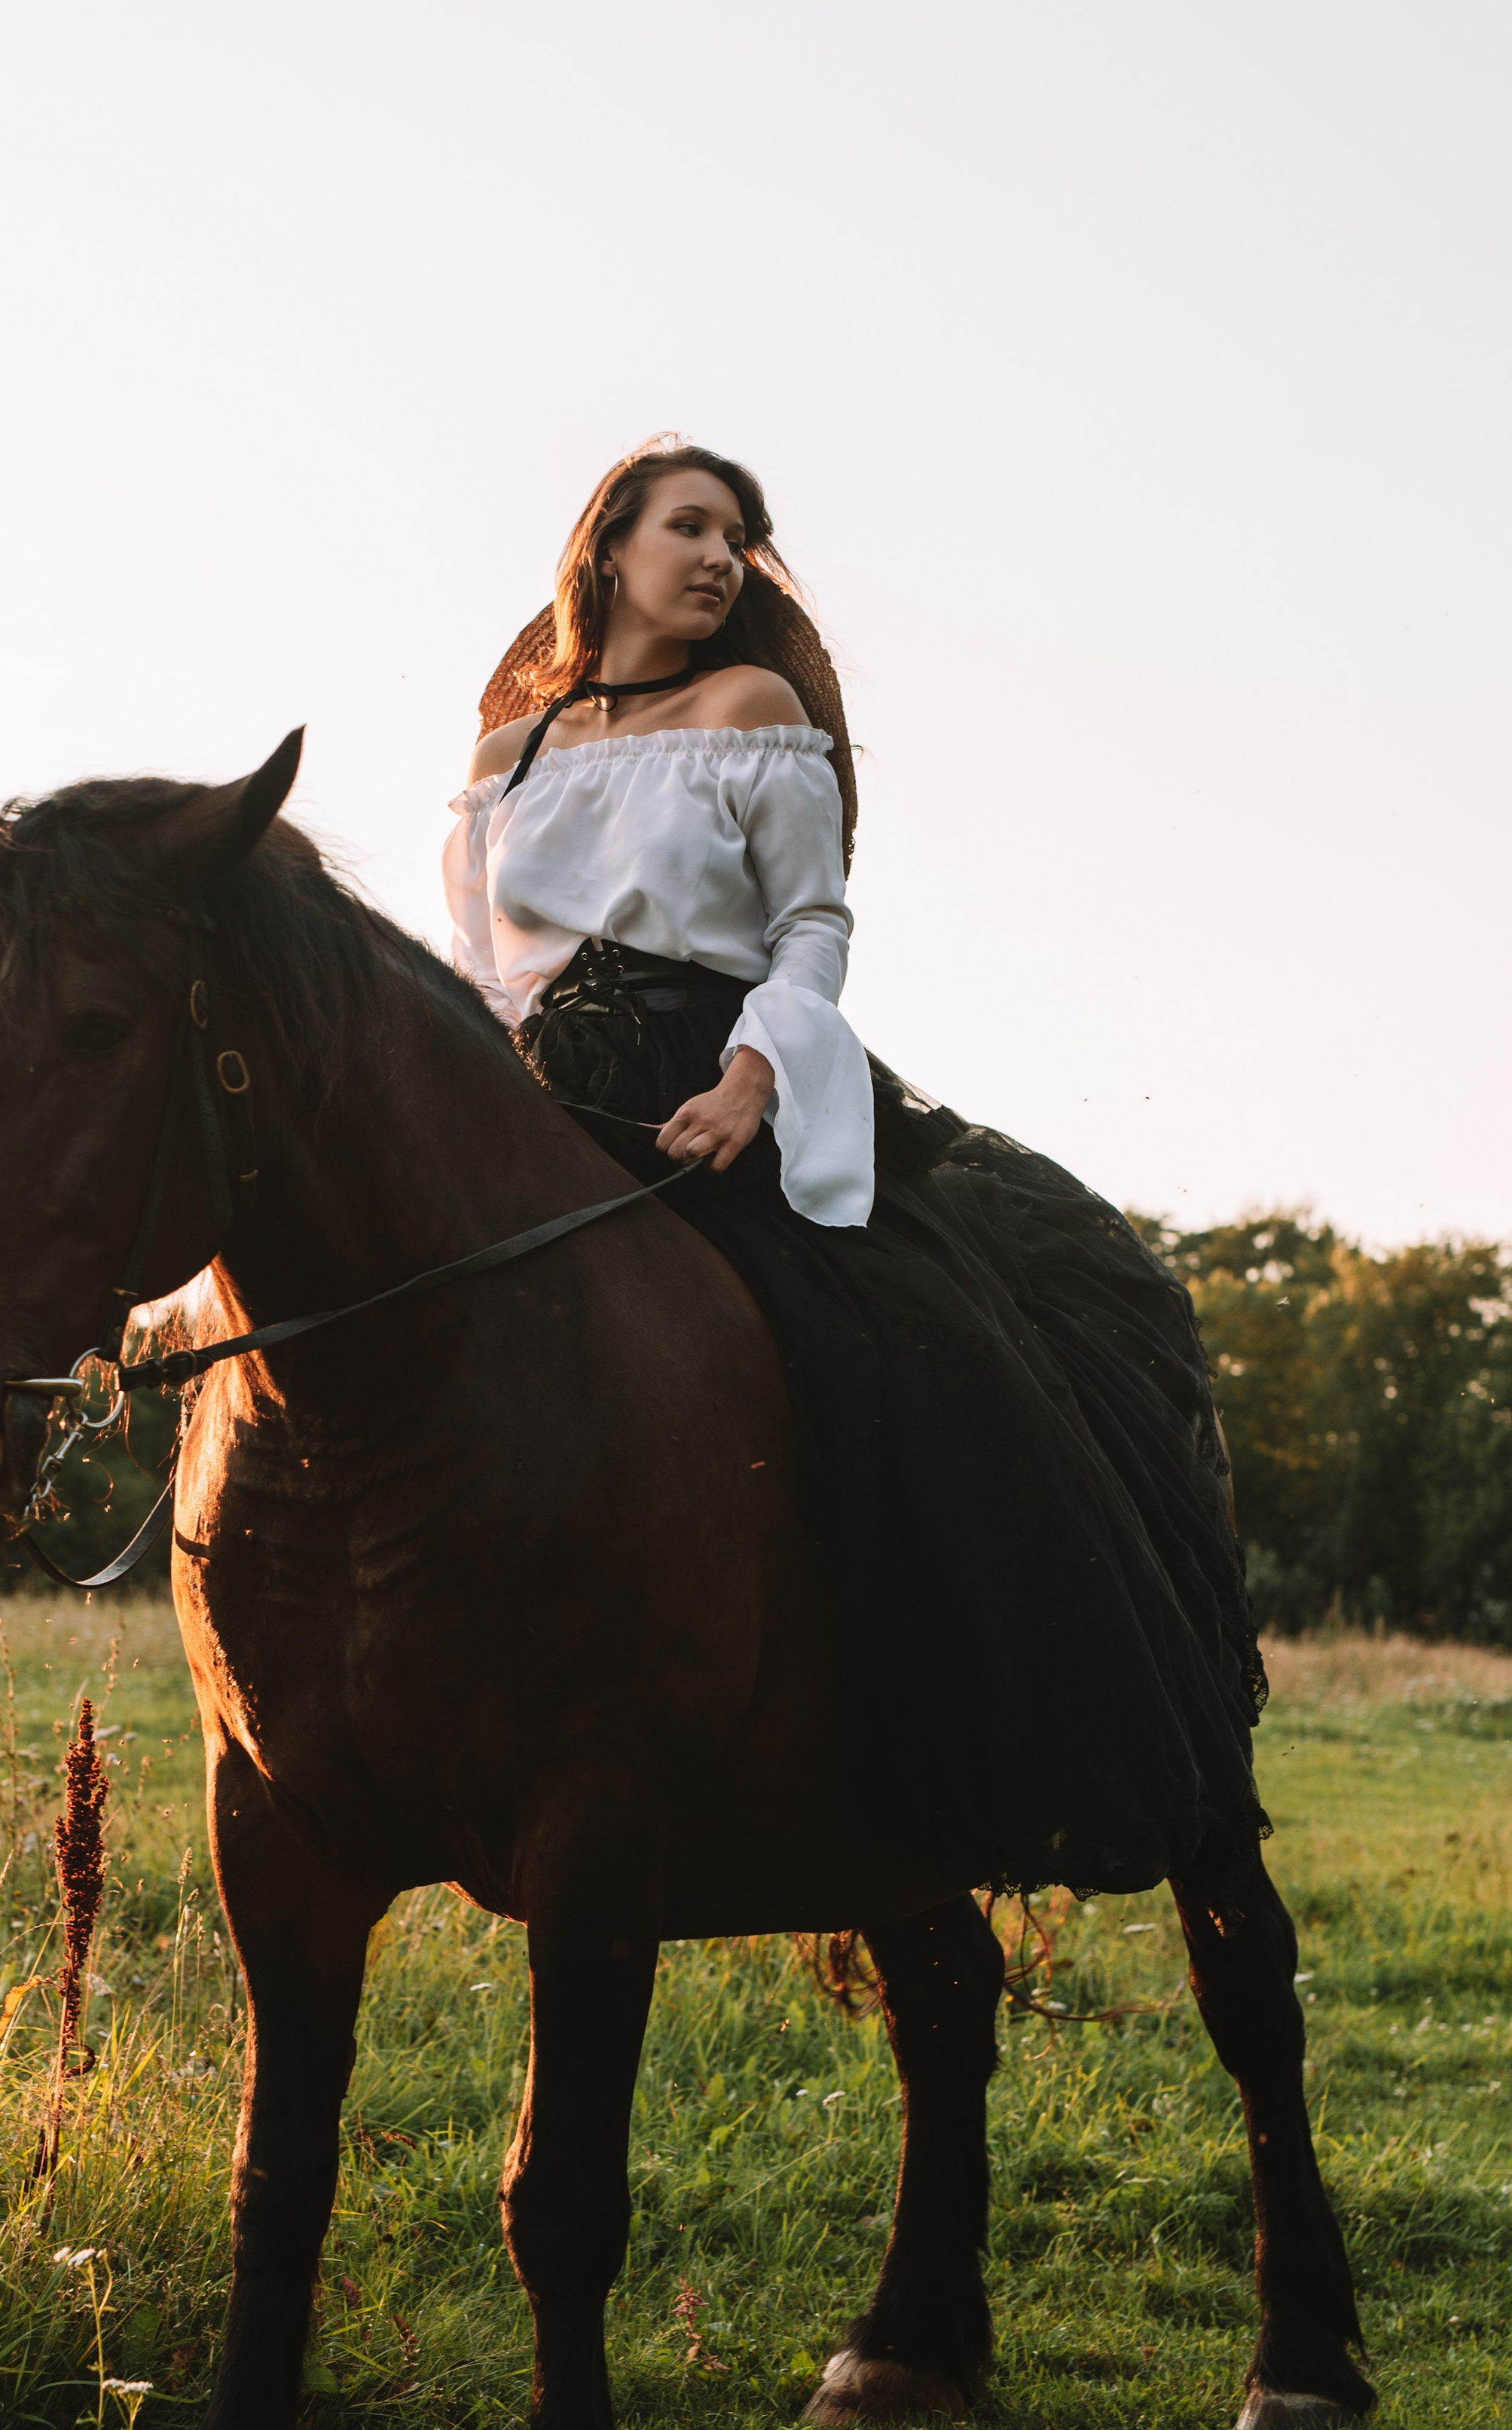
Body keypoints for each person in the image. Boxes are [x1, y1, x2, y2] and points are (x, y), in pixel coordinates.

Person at [444, 436, 1268, 1901]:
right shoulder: (504, 757)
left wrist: (748, 1082)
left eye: (737, 539)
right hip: (545, 1108)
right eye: (687, 527)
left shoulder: (751, 711)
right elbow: (486, 968)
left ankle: (955, 1733)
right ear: (606, 550)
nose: (717, 558)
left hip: (723, 1076)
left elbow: (809, 929)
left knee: (922, 1351)